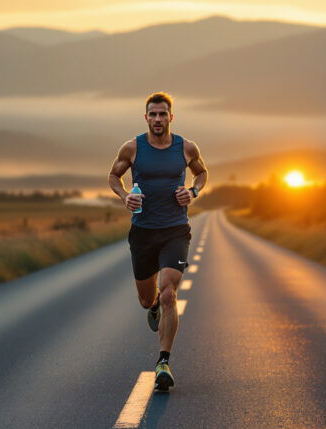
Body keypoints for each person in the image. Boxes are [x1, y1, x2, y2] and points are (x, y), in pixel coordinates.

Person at [108, 91, 208, 391]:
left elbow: (202, 173)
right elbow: (113, 176)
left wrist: (192, 192)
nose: (158, 119)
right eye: (152, 114)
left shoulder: (186, 147)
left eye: (163, 114)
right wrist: (125, 196)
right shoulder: (132, 148)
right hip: (143, 232)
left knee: (168, 293)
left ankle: (163, 362)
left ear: (171, 117)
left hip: (175, 230)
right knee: (147, 299)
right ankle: (152, 305)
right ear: (146, 117)